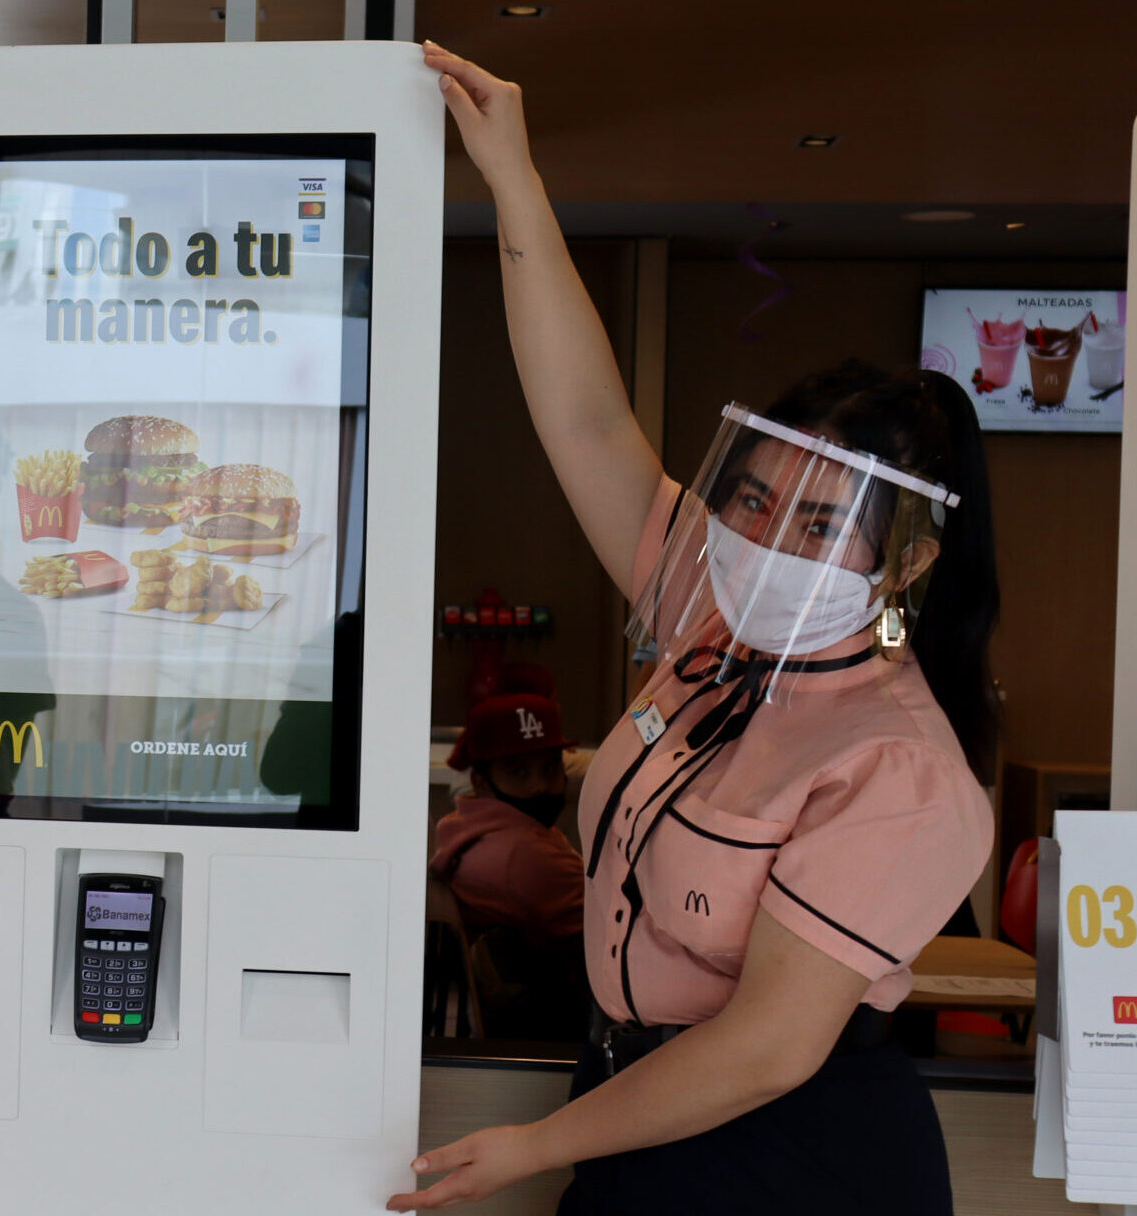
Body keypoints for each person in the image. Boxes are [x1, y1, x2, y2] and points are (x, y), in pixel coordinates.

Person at [393, 44, 999, 1215]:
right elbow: (581, 418)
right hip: (633, 1109)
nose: (770, 541)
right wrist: (512, 176)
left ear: (910, 561)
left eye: (823, 521)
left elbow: (770, 1045)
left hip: (789, 1156)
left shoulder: (902, 765)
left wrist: (531, 1146)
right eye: (753, 499)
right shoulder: (711, 616)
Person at [432, 692, 585, 1038]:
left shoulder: (465, 828)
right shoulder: (525, 856)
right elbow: (623, 933)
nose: (539, 787)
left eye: (549, 768)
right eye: (517, 771)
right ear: (481, 781)